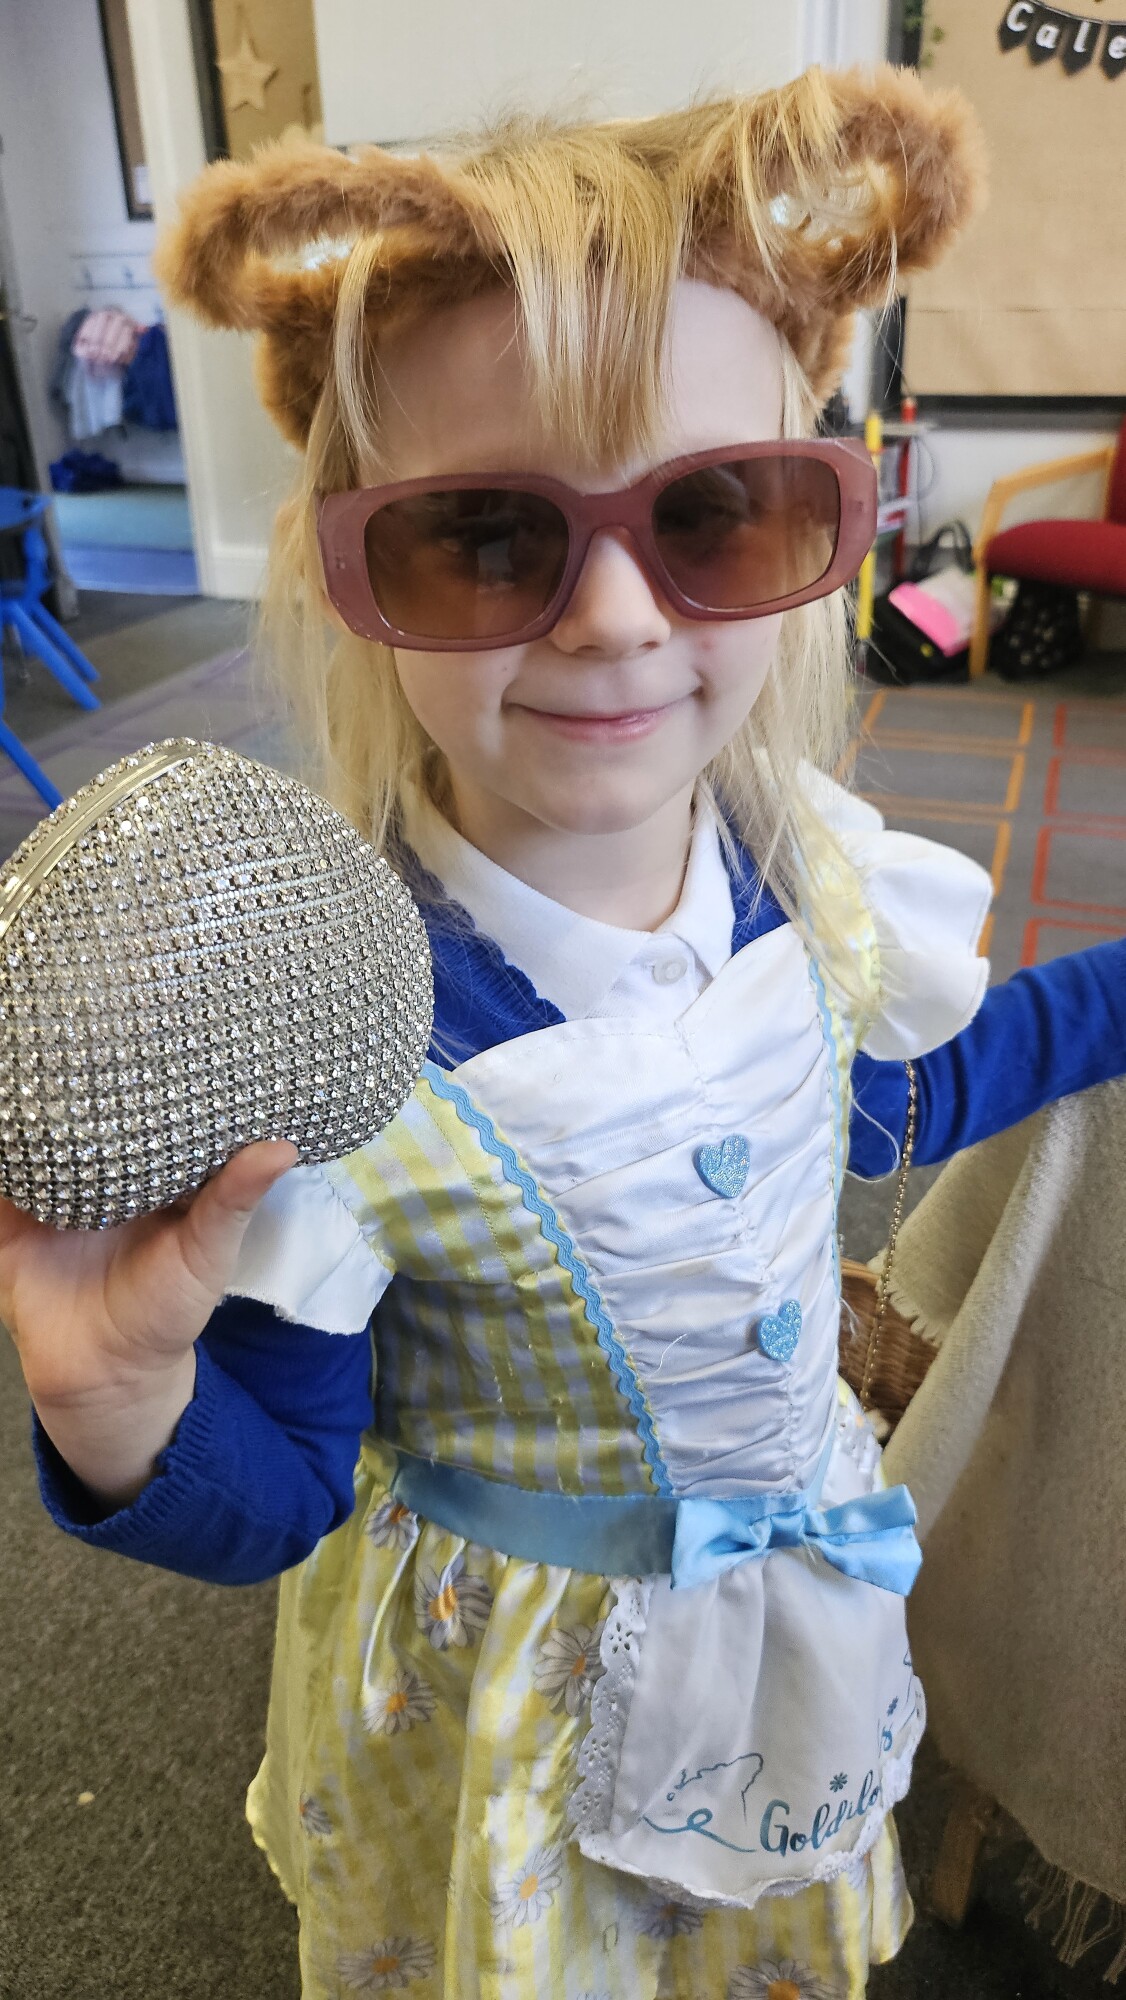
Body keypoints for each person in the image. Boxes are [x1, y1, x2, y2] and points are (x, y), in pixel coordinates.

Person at [4, 64, 1125, 2000]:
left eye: (716, 512)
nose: (611, 619)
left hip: (787, 1634)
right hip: (512, 1731)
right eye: (485, 537)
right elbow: (281, 1494)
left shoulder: (807, 878)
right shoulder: (339, 1041)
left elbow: (895, 1094)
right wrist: (122, 1409)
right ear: (347, 571)